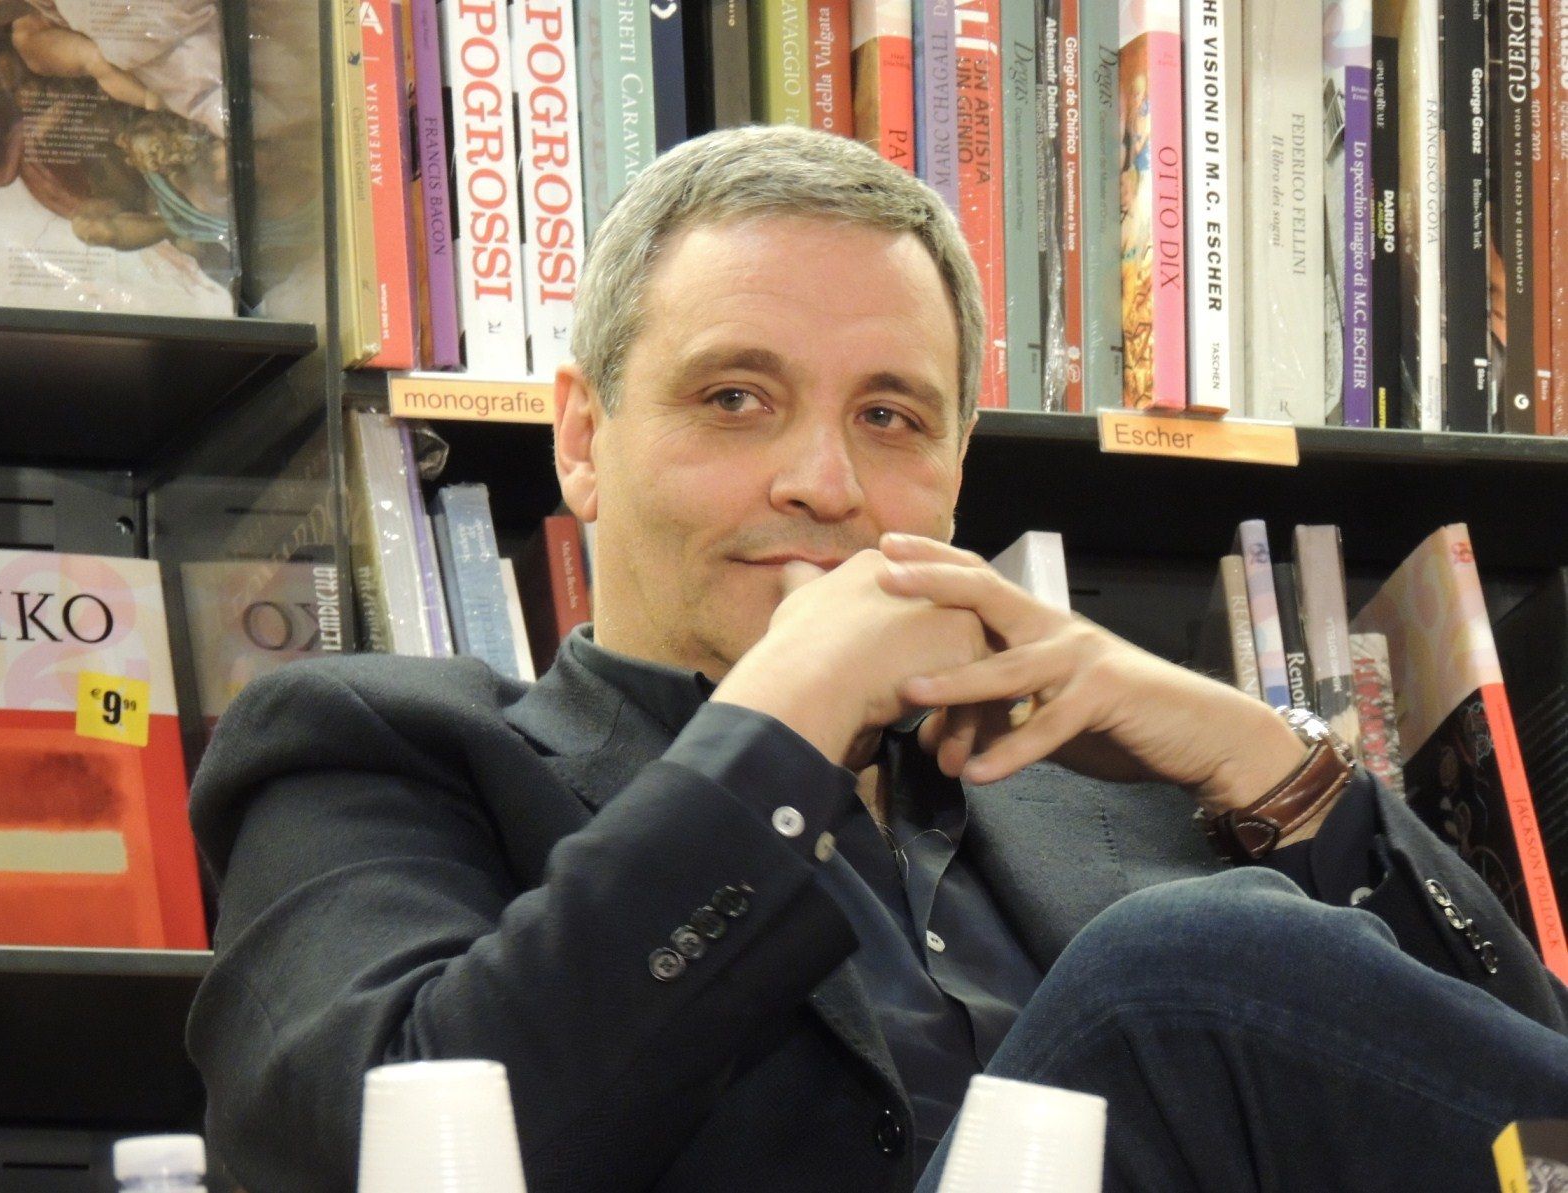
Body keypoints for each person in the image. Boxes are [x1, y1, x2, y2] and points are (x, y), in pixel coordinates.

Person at [186, 125, 1568, 1193]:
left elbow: (1524, 1122)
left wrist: (1265, 761)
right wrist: (784, 727)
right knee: (1183, 968)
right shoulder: (373, 749)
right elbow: (371, 1156)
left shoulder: (1128, 792)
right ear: (584, 440)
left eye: (890, 417)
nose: (823, 481)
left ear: (956, 475)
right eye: (736, 397)